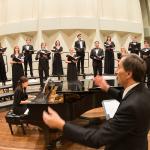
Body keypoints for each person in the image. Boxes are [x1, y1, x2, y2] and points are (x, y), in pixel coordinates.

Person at [43, 54, 150, 150]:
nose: (116, 71)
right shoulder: (143, 91)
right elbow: (123, 96)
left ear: (128, 73)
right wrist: (106, 87)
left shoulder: (131, 107)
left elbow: (96, 139)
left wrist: (61, 124)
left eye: (119, 67)